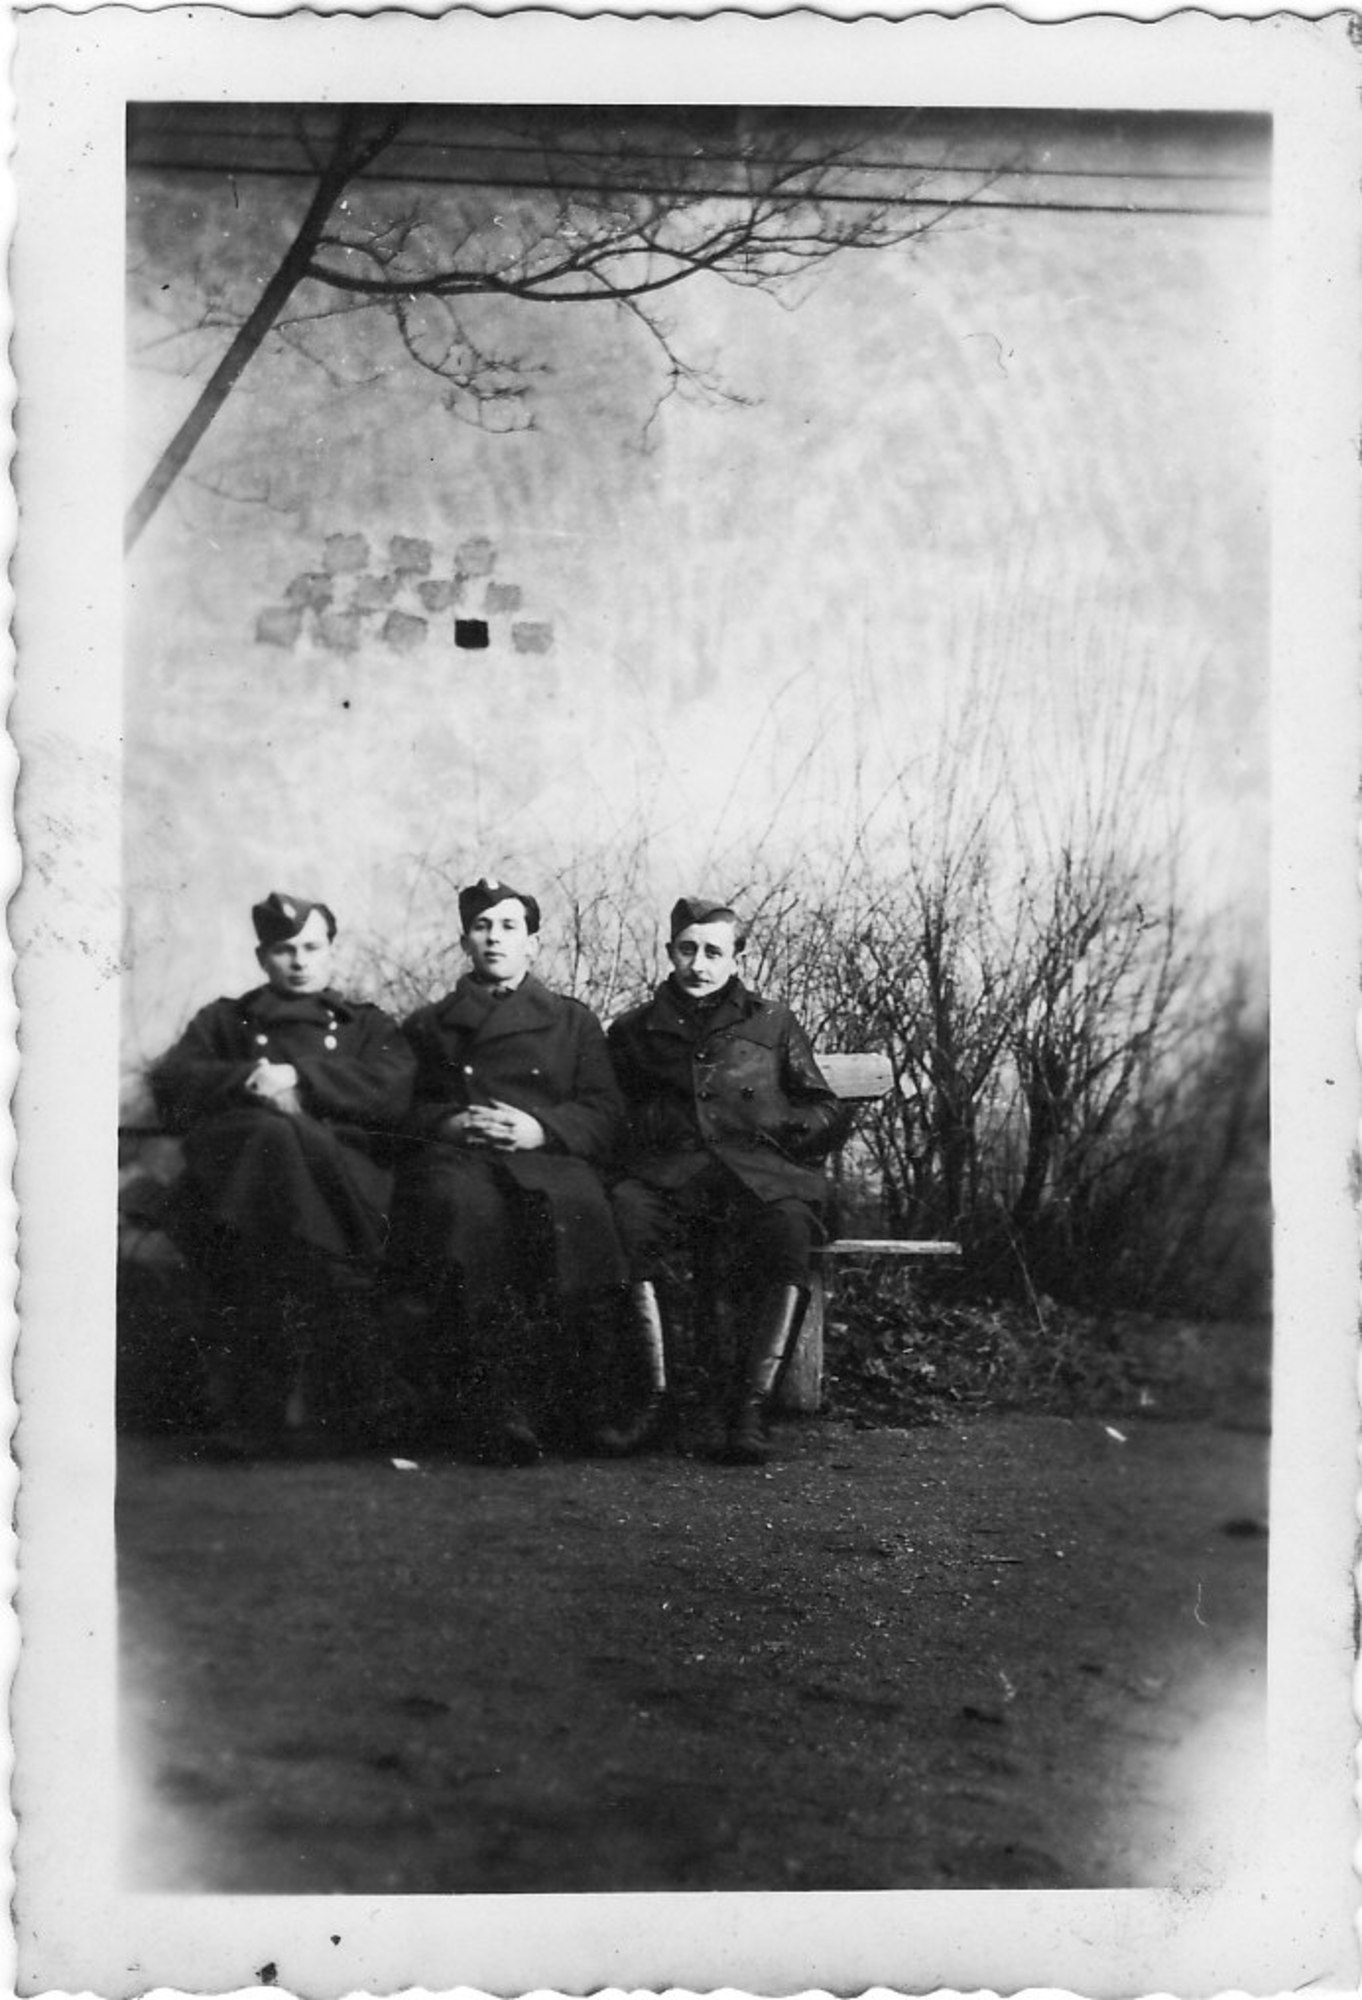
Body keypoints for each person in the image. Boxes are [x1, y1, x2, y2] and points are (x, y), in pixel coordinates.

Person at [151, 891, 417, 1455]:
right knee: (270, 1140)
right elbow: (173, 1084)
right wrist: (251, 1079)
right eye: (284, 949)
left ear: (332, 953)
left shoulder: (366, 1025)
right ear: (261, 957)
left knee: (276, 1170)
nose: (299, 961)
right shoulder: (225, 1020)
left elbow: (394, 1092)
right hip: (249, 1189)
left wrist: (300, 1079)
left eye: (312, 948)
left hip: (341, 1180)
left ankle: (256, 1415)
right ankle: (361, 1397)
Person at [394, 879, 627, 1464]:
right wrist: (449, 1123)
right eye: (482, 927)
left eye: (508, 927)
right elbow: (397, 1110)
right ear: (464, 942)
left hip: (547, 1158)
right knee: (464, 1215)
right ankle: (494, 1408)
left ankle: (586, 1404)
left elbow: (604, 1111)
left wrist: (541, 1128)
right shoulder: (428, 1025)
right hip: (462, 1158)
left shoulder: (573, 1022)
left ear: (533, 943)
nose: (495, 938)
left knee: (578, 1212)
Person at [607, 896, 847, 1464]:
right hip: (669, 1175)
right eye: (687, 949)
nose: (699, 964)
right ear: (669, 952)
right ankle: (655, 1401)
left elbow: (825, 1106)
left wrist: (786, 1127)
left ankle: (750, 1410)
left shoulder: (772, 1021)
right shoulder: (635, 1030)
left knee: (789, 1229)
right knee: (623, 1215)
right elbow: (611, 1114)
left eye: (714, 952)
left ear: (738, 957)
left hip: (754, 1174)